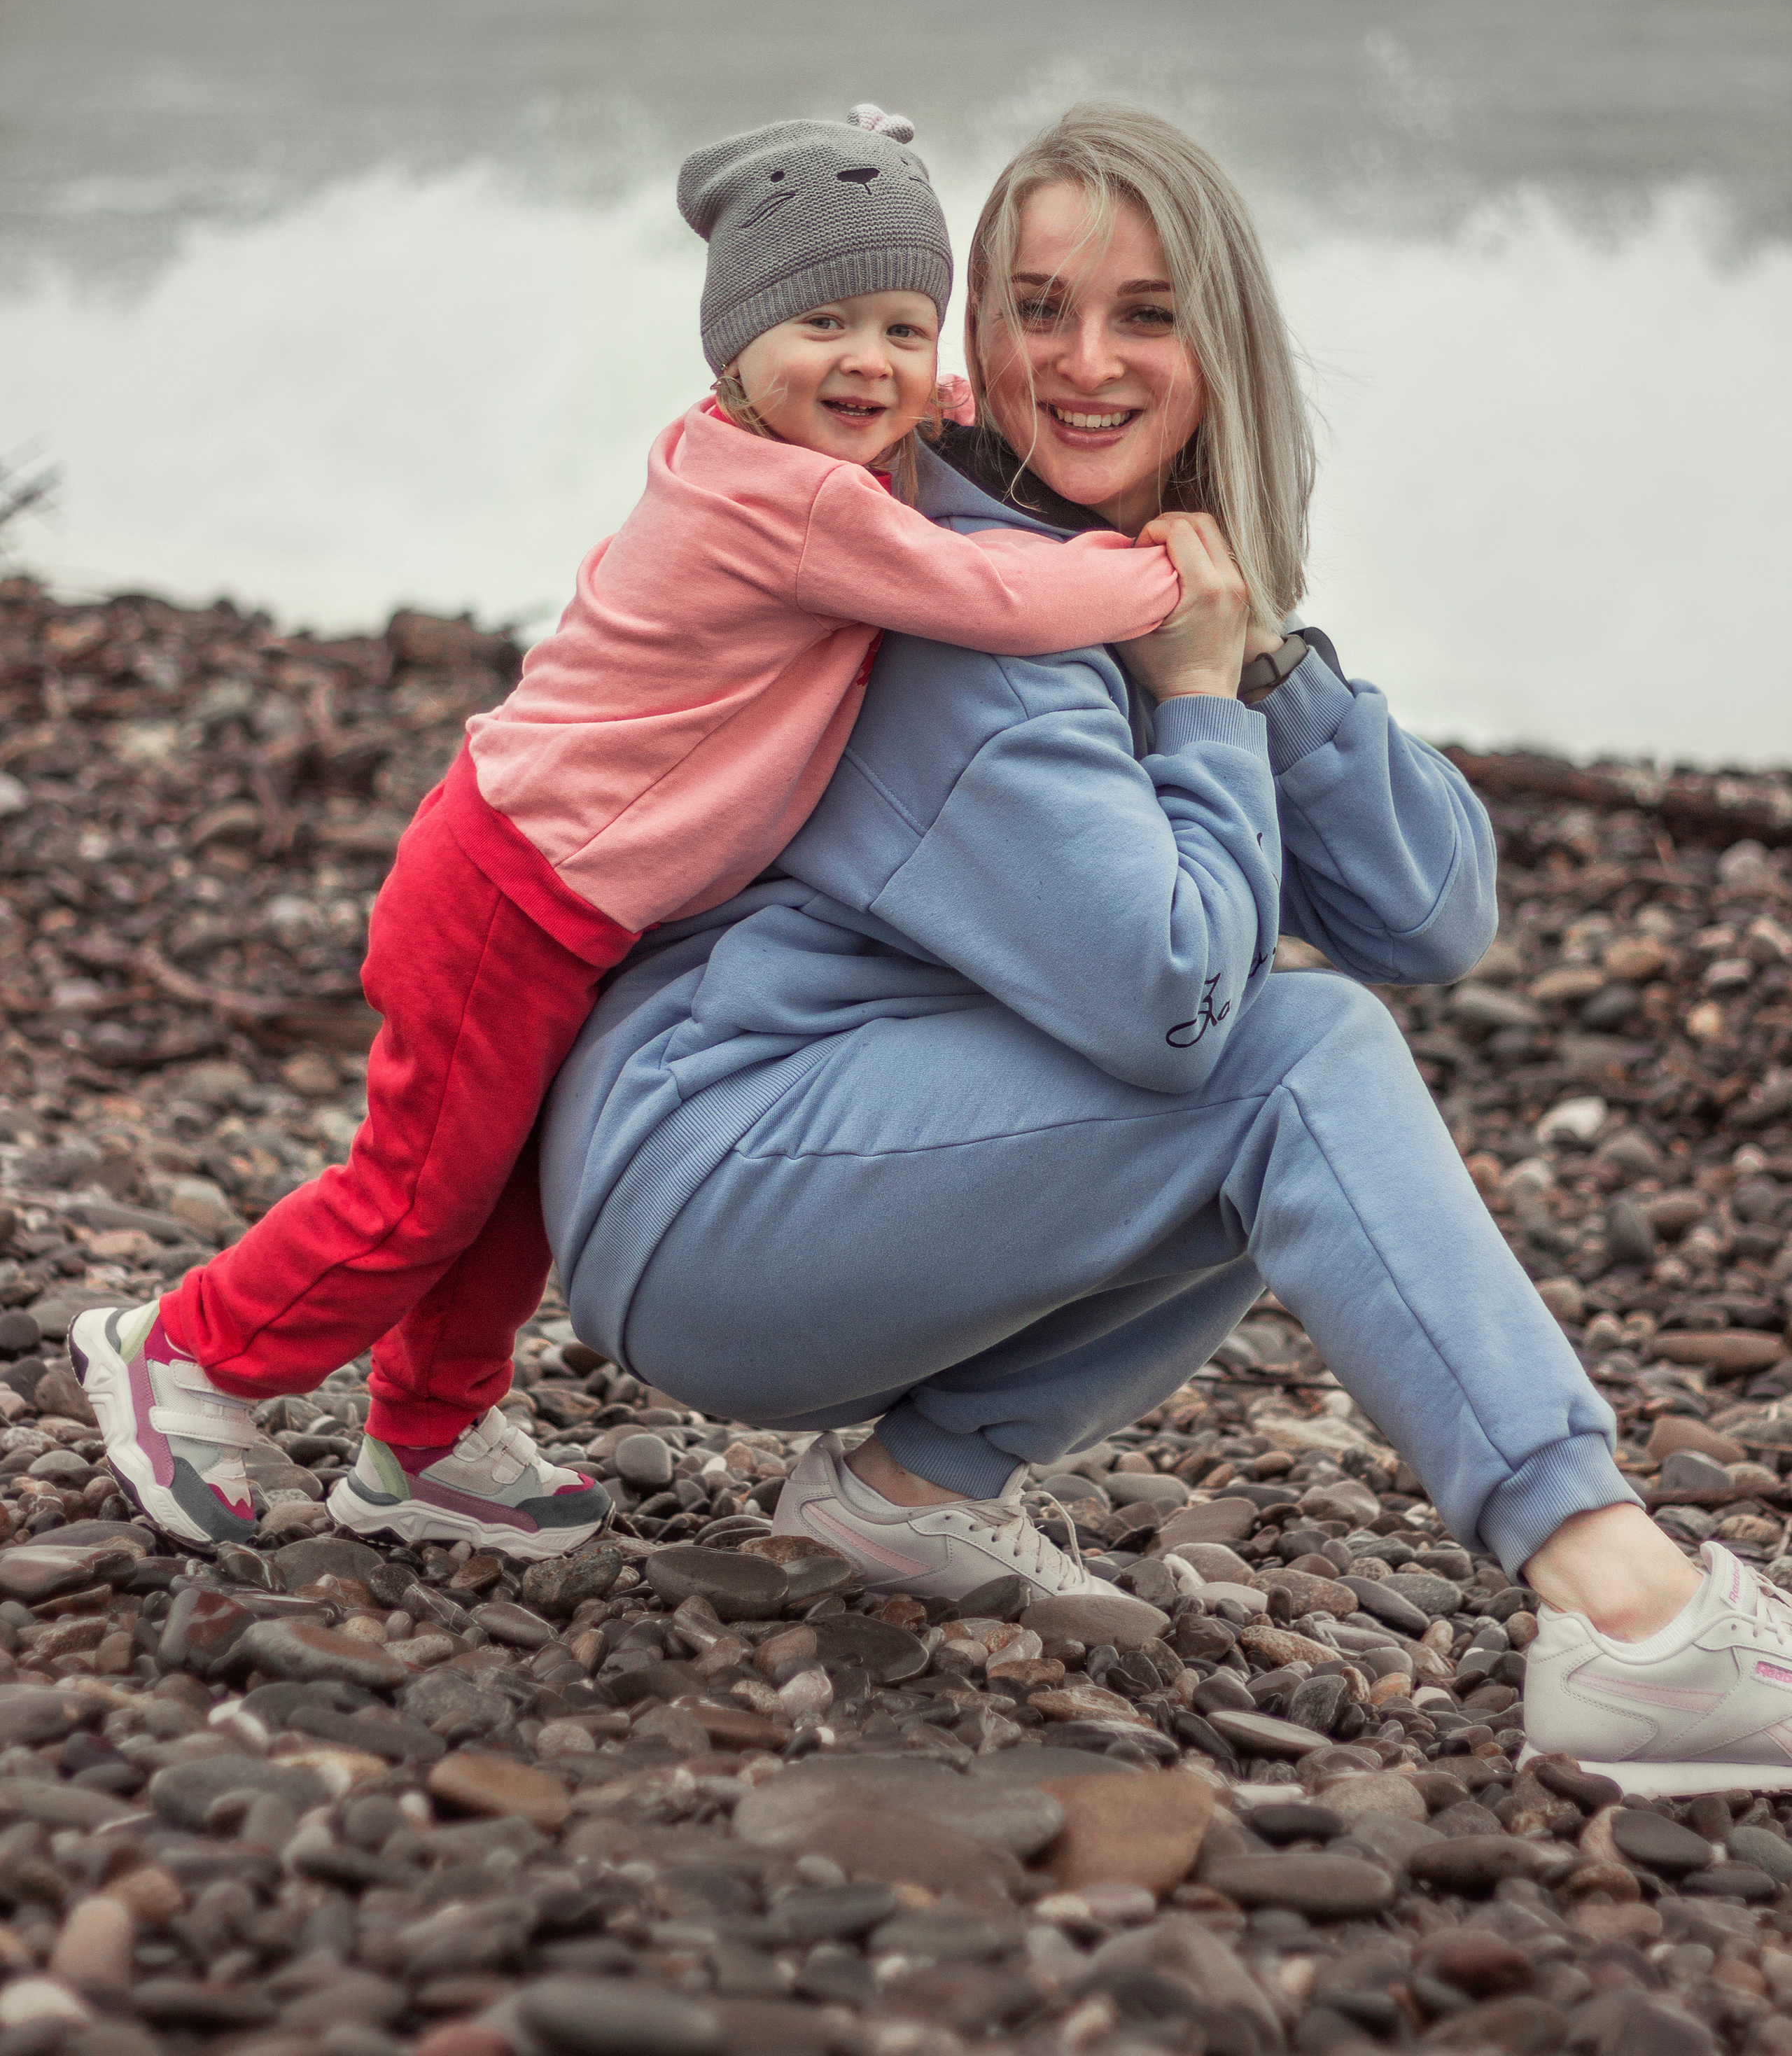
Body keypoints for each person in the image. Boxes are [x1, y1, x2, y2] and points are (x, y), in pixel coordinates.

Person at [540, 104, 1784, 1794]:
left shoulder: (1104, 583)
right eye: (1035, 308)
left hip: (782, 1153)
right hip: (706, 1173)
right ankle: (1630, 1616)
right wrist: (1199, 708)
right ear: (975, 336)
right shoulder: (966, 617)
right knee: (1293, 1062)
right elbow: (1182, 1009)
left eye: (1143, 312)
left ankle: (905, 1500)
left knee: (1293, 1081)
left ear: (1220, 343)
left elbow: (1434, 915)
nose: (1085, 361)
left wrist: (1256, 662)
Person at [72, 105, 1192, 1560]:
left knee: (506, 1200)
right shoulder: (784, 502)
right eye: (823, 324)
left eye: (904, 331)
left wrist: (949, 396)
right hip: (509, 889)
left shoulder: (753, 449)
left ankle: (424, 1443)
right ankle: (182, 1359)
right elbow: (993, 600)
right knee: (415, 1197)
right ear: (735, 347)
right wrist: (1156, 580)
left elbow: (900, 411)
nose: (868, 362)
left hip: (557, 890)